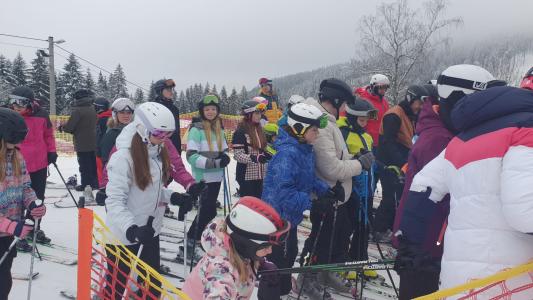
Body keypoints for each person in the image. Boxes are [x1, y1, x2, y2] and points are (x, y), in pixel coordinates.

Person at [395, 81, 530, 300]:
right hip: (509, 281)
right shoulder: (526, 131)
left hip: (459, 279)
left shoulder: (463, 138)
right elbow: (525, 211)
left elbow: (423, 186)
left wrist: (410, 244)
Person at [103, 102, 195, 299]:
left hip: (150, 230)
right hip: (124, 235)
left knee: (151, 288)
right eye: (158, 134)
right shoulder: (123, 158)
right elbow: (114, 201)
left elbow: (151, 190)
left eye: (167, 134)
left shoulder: (156, 152)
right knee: (115, 288)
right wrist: (131, 229)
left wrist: (174, 197)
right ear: (142, 129)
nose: (163, 139)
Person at [298, 78, 375, 296]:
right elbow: (329, 167)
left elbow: (337, 156)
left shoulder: (328, 121)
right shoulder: (320, 123)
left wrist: (354, 157)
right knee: (321, 241)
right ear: (335, 100)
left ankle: (327, 271)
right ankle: (307, 278)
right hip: (327, 195)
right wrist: (359, 164)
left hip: (339, 195)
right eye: (344, 105)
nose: (345, 109)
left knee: (340, 237)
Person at [260, 103, 342, 300]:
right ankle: (270, 295)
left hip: (290, 217)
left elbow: (309, 179)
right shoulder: (287, 154)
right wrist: (312, 204)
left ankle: (282, 291)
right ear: (298, 129)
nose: (317, 134)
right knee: (277, 261)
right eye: (314, 130)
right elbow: (284, 192)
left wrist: (327, 191)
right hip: (276, 218)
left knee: (290, 254)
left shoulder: (304, 150)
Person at [181, 197, 287, 300]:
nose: (270, 251)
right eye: (265, 247)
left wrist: (261, 264)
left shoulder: (239, 251)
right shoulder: (220, 270)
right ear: (246, 245)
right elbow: (218, 291)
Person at [337, 99, 395, 280]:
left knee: (364, 228)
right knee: (347, 228)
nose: (365, 124)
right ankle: (341, 261)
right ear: (352, 117)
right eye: (361, 120)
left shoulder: (367, 136)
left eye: (366, 120)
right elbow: (340, 161)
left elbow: (370, 159)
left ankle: (359, 259)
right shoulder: (342, 134)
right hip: (351, 191)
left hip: (367, 191)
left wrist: (383, 167)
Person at [176, 94, 230, 264]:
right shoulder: (196, 130)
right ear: (202, 111)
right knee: (205, 211)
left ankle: (199, 240)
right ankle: (190, 244)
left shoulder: (219, 128)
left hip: (217, 177)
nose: (211, 112)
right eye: (207, 109)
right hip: (203, 178)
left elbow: (226, 150)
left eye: (214, 109)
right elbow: (191, 156)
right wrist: (215, 162)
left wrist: (225, 157)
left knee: (210, 211)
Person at [0, 107, 46, 300]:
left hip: (7, 235)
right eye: (14, 138)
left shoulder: (17, 157)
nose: (18, 143)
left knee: (4, 281)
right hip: (9, 228)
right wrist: (12, 225)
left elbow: (25, 186)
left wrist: (32, 204)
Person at [373, 85, 428, 242]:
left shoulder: (411, 113)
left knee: (400, 197)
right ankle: (378, 230)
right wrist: (402, 163)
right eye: (419, 103)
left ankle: (391, 227)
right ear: (410, 99)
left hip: (401, 160)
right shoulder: (394, 115)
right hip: (388, 163)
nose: (421, 107)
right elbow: (388, 144)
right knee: (390, 197)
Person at [7, 86, 56, 244]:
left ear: (30, 103)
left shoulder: (41, 114)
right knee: (16, 198)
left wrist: (51, 151)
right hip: (15, 164)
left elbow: (48, 134)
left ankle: (34, 227)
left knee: (37, 198)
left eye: (20, 103)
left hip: (39, 163)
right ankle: (16, 230)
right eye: (13, 102)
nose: (16, 106)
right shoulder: (9, 115)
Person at [58, 89, 98, 191]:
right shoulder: (94, 108)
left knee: (84, 166)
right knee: (93, 164)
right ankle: (95, 182)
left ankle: (86, 185)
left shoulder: (78, 110)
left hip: (82, 142)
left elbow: (70, 127)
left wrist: (62, 128)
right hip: (94, 141)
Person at [232, 100, 273, 198]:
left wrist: (275, 157)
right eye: (256, 113)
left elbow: (263, 149)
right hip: (246, 176)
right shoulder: (240, 132)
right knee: (249, 206)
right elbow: (238, 155)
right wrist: (254, 158)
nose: (260, 116)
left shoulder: (259, 130)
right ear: (248, 114)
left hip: (259, 176)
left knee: (258, 204)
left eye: (261, 113)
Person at [359, 74, 391, 155]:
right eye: (380, 88)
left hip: (383, 141)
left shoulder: (384, 102)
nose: (383, 90)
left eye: (385, 88)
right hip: (371, 143)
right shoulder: (364, 101)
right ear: (373, 87)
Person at [100, 98, 136, 168]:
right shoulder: (111, 135)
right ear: (115, 115)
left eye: (129, 113)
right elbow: (107, 161)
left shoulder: (137, 132)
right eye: (122, 112)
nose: (126, 116)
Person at [153, 79, 182, 155]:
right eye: (168, 89)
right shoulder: (154, 108)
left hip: (175, 148)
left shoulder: (175, 109)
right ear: (160, 91)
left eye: (171, 89)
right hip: (160, 149)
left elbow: (176, 132)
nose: (171, 91)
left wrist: (178, 149)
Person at [93, 96, 111, 183]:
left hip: (102, 150)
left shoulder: (103, 119)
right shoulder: (104, 117)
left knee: (102, 171)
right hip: (102, 149)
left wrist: (99, 147)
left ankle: (103, 187)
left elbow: (101, 135)